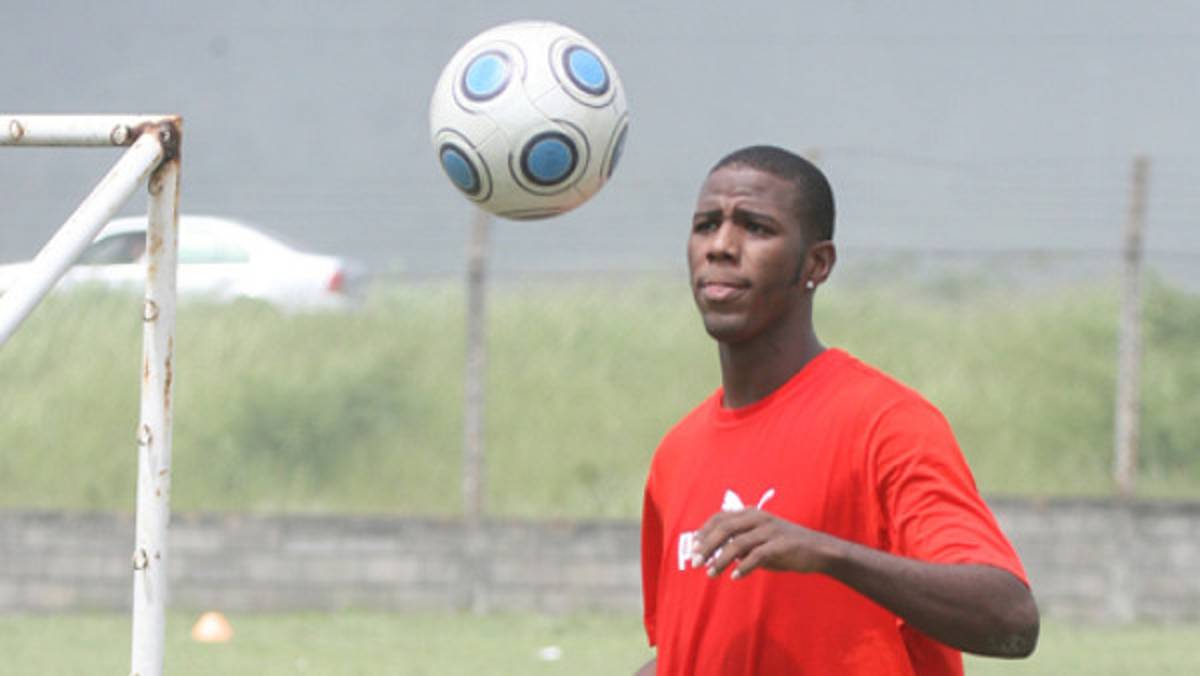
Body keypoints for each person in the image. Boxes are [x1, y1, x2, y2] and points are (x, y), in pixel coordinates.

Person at [636, 145, 1039, 675]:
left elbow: (1011, 620)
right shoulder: (677, 453)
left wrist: (829, 554)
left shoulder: (885, 425)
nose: (721, 246)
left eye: (755, 228)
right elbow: (687, 654)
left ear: (816, 264)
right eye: (706, 225)